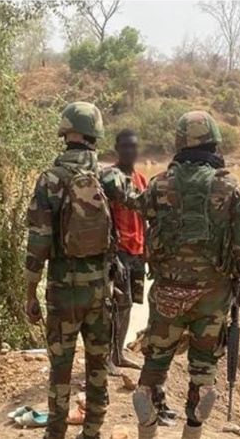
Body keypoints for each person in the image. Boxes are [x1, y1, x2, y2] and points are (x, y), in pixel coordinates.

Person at [122, 111, 240, 439]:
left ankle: (147, 408)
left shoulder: (159, 184)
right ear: (213, 142)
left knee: (155, 361)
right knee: (204, 368)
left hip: (168, 291)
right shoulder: (226, 184)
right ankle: (193, 427)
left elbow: (140, 210)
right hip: (213, 295)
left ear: (180, 144)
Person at [25, 101, 127, 439]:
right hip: (101, 290)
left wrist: (30, 293)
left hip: (63, 290)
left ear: (65, 133)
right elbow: (140, 203)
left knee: (61, 369)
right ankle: (93, 431)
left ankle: (55, 434)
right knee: (97, 367)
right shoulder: (108, 176)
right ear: (94, 134)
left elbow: (38, 243)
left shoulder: (50, 179)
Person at [105, 128, 147, 376]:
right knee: (117, 305)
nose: (130, 150)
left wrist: (147, 250)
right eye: (125, 146)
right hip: (119, 252)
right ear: (117, 149)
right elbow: (106, 218)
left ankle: (118, 354)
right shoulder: (112, 179)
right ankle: (109, 358)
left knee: (129, 306)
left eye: (133, 146)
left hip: (137, 252)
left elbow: (145, 217)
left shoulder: (141, 180)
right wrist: (111, 254)